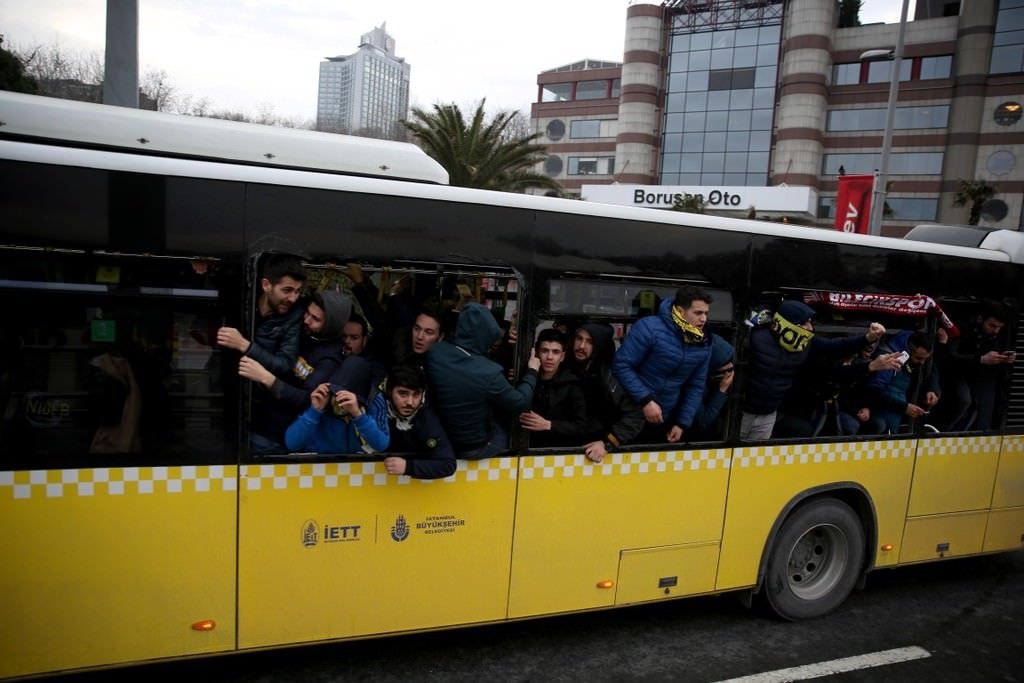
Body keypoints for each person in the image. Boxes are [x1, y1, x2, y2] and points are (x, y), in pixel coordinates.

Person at [740, 300, 885, 441]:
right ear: (789, 324)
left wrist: (868, 338)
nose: (810, 328)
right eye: (805, 322)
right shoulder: (754, 338)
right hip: (741, 413)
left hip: (769, 415)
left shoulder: (805, 344)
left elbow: (835, 346)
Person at [237, 290, 352, 448]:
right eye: (307, 313)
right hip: (254, 414)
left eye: (316, 319)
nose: (306, 320)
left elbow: (307, 399)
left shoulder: (330, 359)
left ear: (330, 326)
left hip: (278, 433)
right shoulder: (301, 328)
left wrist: (266, 378)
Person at [426, 301, 541, 459]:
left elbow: (475, 361)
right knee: (505, 431)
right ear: (484, 336)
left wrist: (508, 337)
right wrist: (532, 372)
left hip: (444, 438)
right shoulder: (488, 374)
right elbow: (520, 402)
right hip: (473, 447)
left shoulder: (435, 353)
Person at [612, 286, 714, 444]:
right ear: (680, 311)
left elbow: (695, 385)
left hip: (664, 418)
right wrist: (646, 401)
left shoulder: (703, 341)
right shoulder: (649, 327)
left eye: (706, 313)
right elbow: (621, 365)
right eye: (698, 313)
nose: (704, 319)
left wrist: (681, 423)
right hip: (631, 413)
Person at [216, 253, 306, 378]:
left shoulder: (294, 316)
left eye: (297, 291)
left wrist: (244, 345)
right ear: (266, 285)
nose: (293, 298)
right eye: (287, 290)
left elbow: (285, 364)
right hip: (228, 378)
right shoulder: (242, 299)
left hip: (260, 392)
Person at [570, 323, 644, 463]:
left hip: (598, 452)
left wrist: (607, 442)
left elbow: (635, 416)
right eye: (579, 339)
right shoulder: (567, 365)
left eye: (589, 342)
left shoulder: (611, 376)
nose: (581, 346)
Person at [936, 302, 1015, 431]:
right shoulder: (961, 330)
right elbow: (949, 357)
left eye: (999, 327)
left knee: (978, 405)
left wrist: (1003, 358)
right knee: (964, 399)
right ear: (980, 319)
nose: (995, 330)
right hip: (953, 372)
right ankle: (940, 430)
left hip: (976, 376)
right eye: (992, 325)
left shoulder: (993, 336)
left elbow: (992, 352)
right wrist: (981, 359)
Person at [284, 360, 389, 453]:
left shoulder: (374, 400)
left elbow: (381, 445)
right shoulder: (321, 396)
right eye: (337, 394)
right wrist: (314, 411)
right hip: (321, 467)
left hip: (358, 468)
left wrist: (358, 416)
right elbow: (292, 444)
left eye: (346, 397)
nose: (340, 401)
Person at [377, 364, 456, 479]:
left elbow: (447, 464)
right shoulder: (375, 409)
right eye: (403, 394)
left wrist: (408, 467)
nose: (410, 402)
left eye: (416, 394)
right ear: (389, 392)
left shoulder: (427, 420)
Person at [518, 328, 588, 448]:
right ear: (537, 353)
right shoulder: (527, 377)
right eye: (545, 351)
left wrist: (549, 425)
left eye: (555, 352)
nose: (550, 357)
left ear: (562, 356)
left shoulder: (572, 385)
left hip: (555, 452)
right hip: (524, 447)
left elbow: (581, 426)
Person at [688, 333, 735, 441]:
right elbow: (702, 422)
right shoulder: (692, 384)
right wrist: (722, 390)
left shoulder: (712, 377)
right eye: (725, 364)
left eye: (730, 361)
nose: (730, 367)